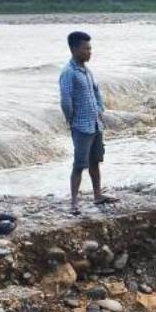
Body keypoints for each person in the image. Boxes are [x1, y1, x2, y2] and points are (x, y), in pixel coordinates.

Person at [59, 31, 116, 215]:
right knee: (79, 165)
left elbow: (96, 93)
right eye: (86, 49)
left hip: (95, 123)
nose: (90, 52)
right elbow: (66, 100)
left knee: (95, 161)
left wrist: (100, 109)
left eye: (90, 48)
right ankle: (74, 202)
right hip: (81, 126)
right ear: (74, 49)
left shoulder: (86, 70)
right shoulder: (69, 73)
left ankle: (97, 195)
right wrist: (71, 119)